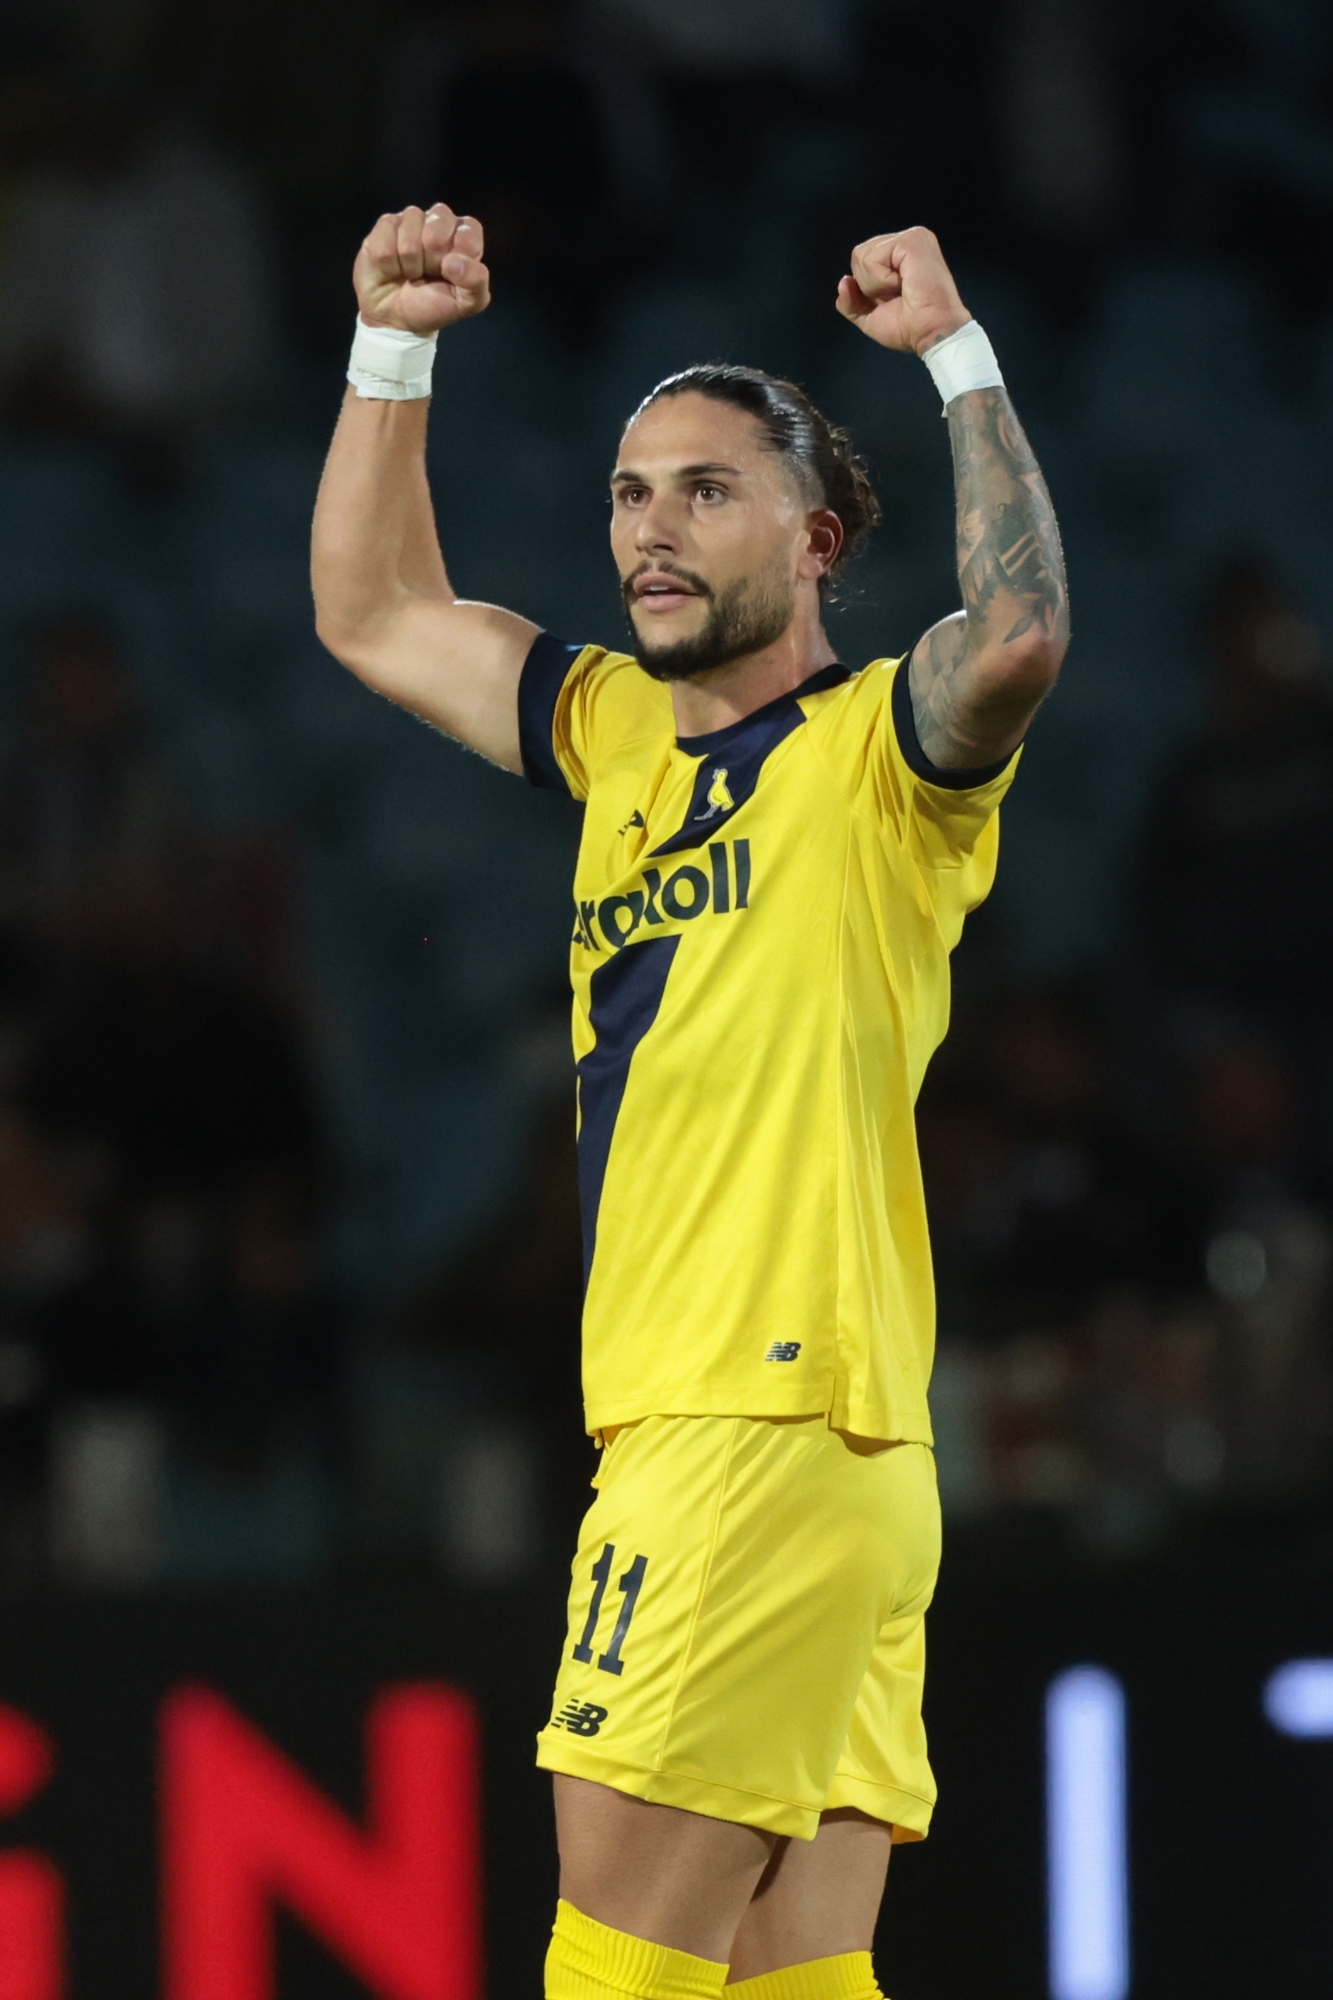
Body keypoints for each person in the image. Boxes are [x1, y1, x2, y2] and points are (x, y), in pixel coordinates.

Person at [311, 204, 1068, 1998]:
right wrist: (391, 349)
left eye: (704, 491)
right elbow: (370, 611)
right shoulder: (611, 737)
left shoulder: (883, 756)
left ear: (813, 540)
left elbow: (1021, 633)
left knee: (618, 1974)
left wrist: (954, 360)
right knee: (786, 1982)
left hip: (760, 1418)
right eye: (629, 492)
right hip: (800, 1451)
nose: (647, 527)